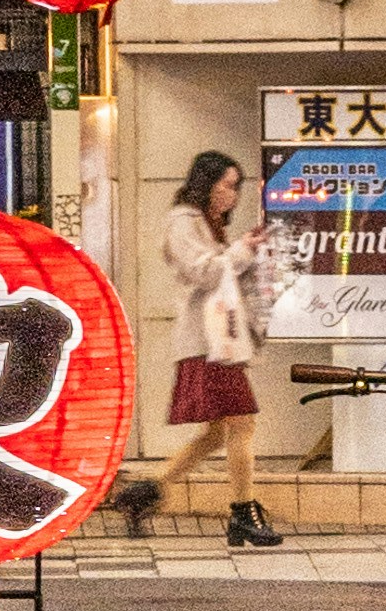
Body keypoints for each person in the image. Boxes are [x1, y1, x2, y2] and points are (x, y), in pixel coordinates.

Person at [112, 148, 282, 546]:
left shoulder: (206, 224)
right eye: (228, 185)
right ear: (206, 184)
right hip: (208, 343)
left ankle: (146, 492)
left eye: (237, 187)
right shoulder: (183, 221)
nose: (233, 195)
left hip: (220, 341)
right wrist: (241, 250)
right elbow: (203, 272)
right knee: (241, 422)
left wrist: (244, 250)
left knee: (219, 433)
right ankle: (243, 511)